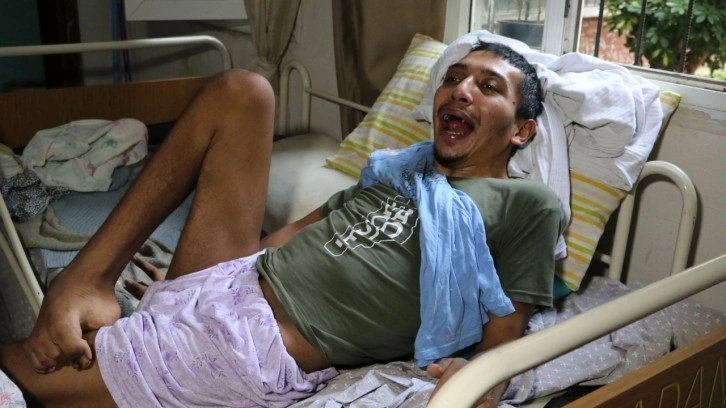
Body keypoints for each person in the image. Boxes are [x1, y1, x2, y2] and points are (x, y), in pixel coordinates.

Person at [0, 40, 561, 407]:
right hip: (231, 285)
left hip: (252, 343)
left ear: (522, 131)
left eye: (488, 87)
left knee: (19, 371)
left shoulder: (526, 204)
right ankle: (88, 279)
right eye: (454, 78)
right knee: (243, 90)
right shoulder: (400, 171)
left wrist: (481, 379)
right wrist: (188, 286)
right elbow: (297, 234)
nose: (461, 89)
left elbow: (504, 335)